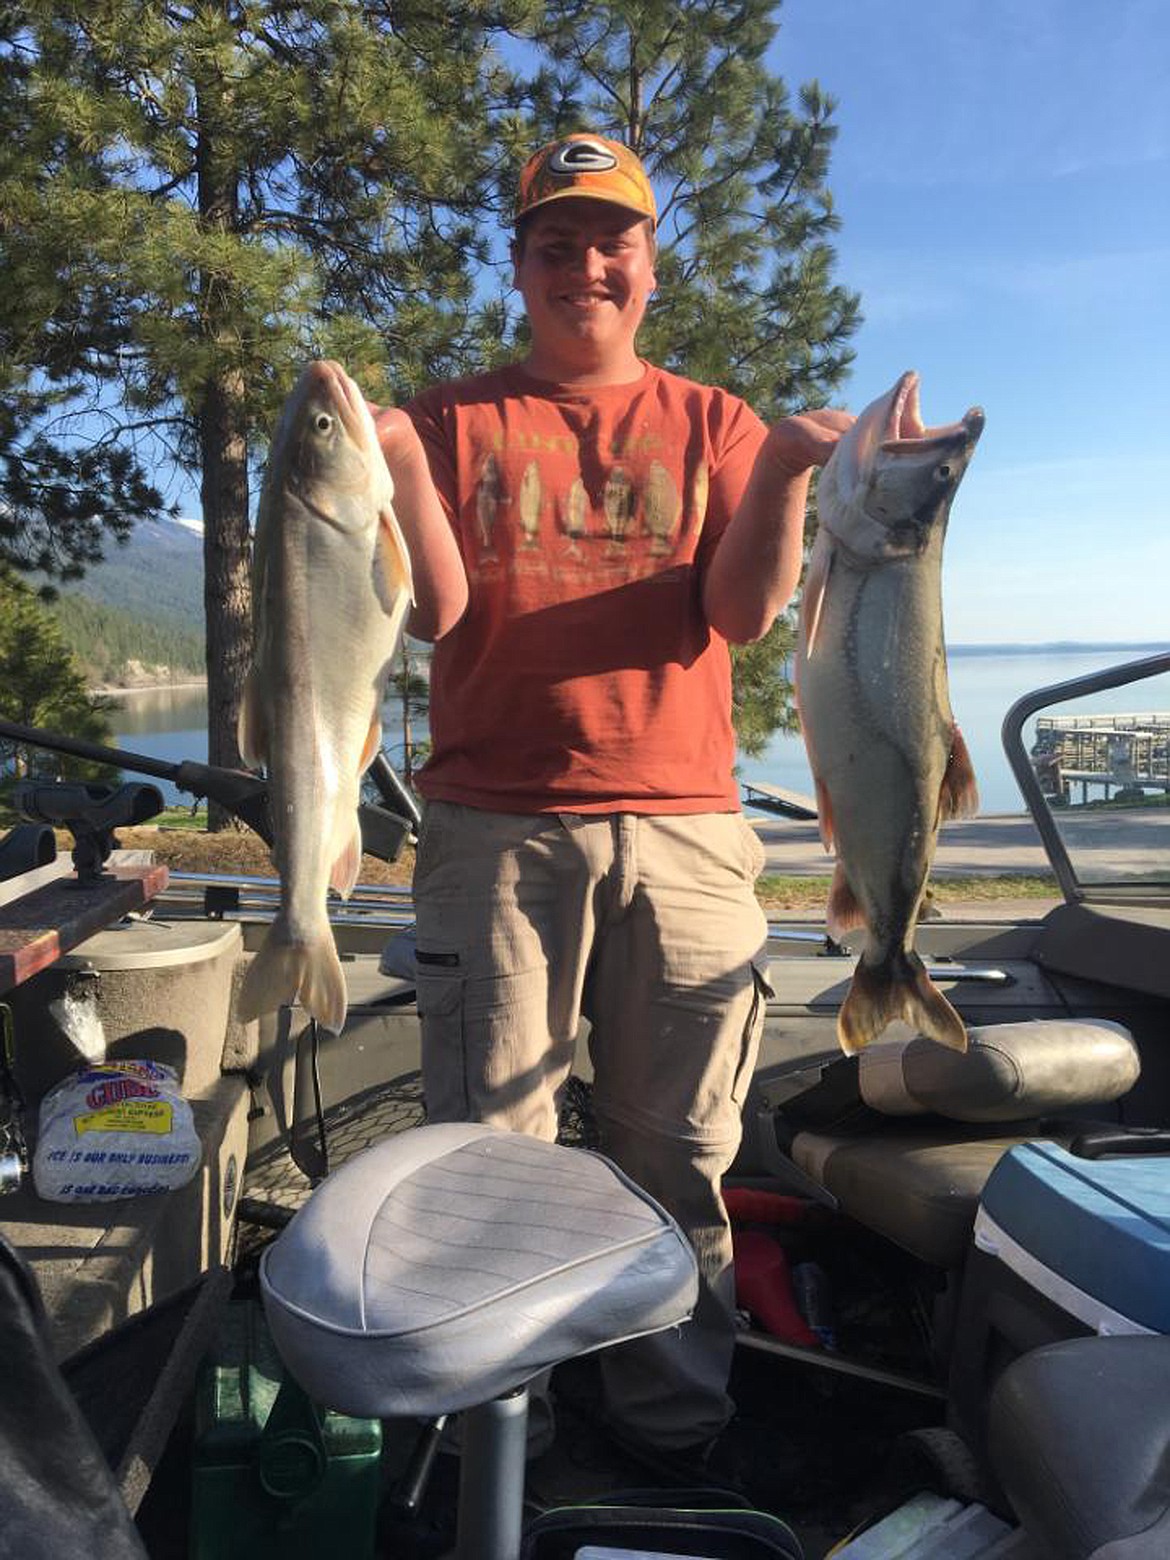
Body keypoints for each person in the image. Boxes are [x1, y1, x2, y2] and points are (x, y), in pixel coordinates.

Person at [373, 132, 850, 1479]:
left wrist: (798, 466)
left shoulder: (715, 422)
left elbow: (744, 617)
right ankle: (487, 1440)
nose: (585, 263)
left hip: (689, 832)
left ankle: (667, 1427)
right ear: (518, 267)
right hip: (493, 831)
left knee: (678, 1154)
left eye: (611, 242)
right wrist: (400, 465)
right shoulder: (452, 417)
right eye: (555, 243)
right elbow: (435, 613)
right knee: (483, 1155)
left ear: (648, 268)